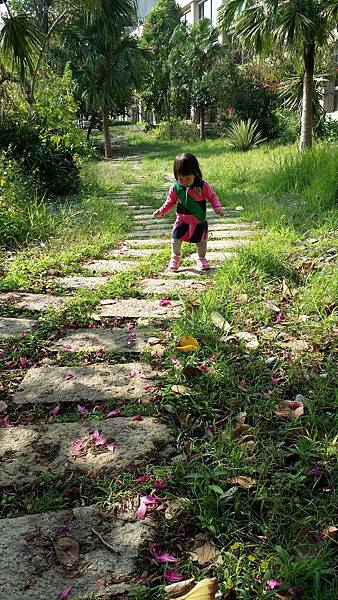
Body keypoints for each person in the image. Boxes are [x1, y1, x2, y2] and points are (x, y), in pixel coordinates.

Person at [152, 152, 224, 271]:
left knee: (201, 242)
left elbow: (212, 197)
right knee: (175, 240)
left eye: (188, 178)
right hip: (182, 221)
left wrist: (217, 207)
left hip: (198, 220)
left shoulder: (202, 186)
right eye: (181, 178)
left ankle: (201, 259)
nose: (184, 181)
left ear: (195, 174)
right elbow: (170, 201)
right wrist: (162, 210)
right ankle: (175, 257)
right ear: (176, 176)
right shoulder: (176, 188)